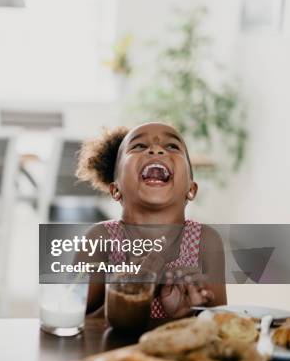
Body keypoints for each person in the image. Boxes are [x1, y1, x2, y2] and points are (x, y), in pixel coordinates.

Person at [76, 122, 227, 319]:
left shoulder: (207, 241)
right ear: (115, 189)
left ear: (191, 188)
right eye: (139, 146)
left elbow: (222, 326)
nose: (156, 149)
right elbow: (71, 325)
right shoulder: (99, 239)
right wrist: (127, 294)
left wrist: (186, 314)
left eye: (172, 146)